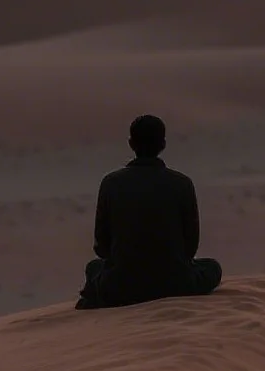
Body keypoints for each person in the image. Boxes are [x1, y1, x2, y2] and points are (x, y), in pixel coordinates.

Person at [76, 114, 223, 310]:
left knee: (93, 268)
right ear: (163, 144)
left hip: (120, 286)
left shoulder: (111, 183)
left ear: (131, 144)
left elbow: (102, 247)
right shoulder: (182, 184)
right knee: (212, 267)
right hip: (176, 284)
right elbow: (190, 248)